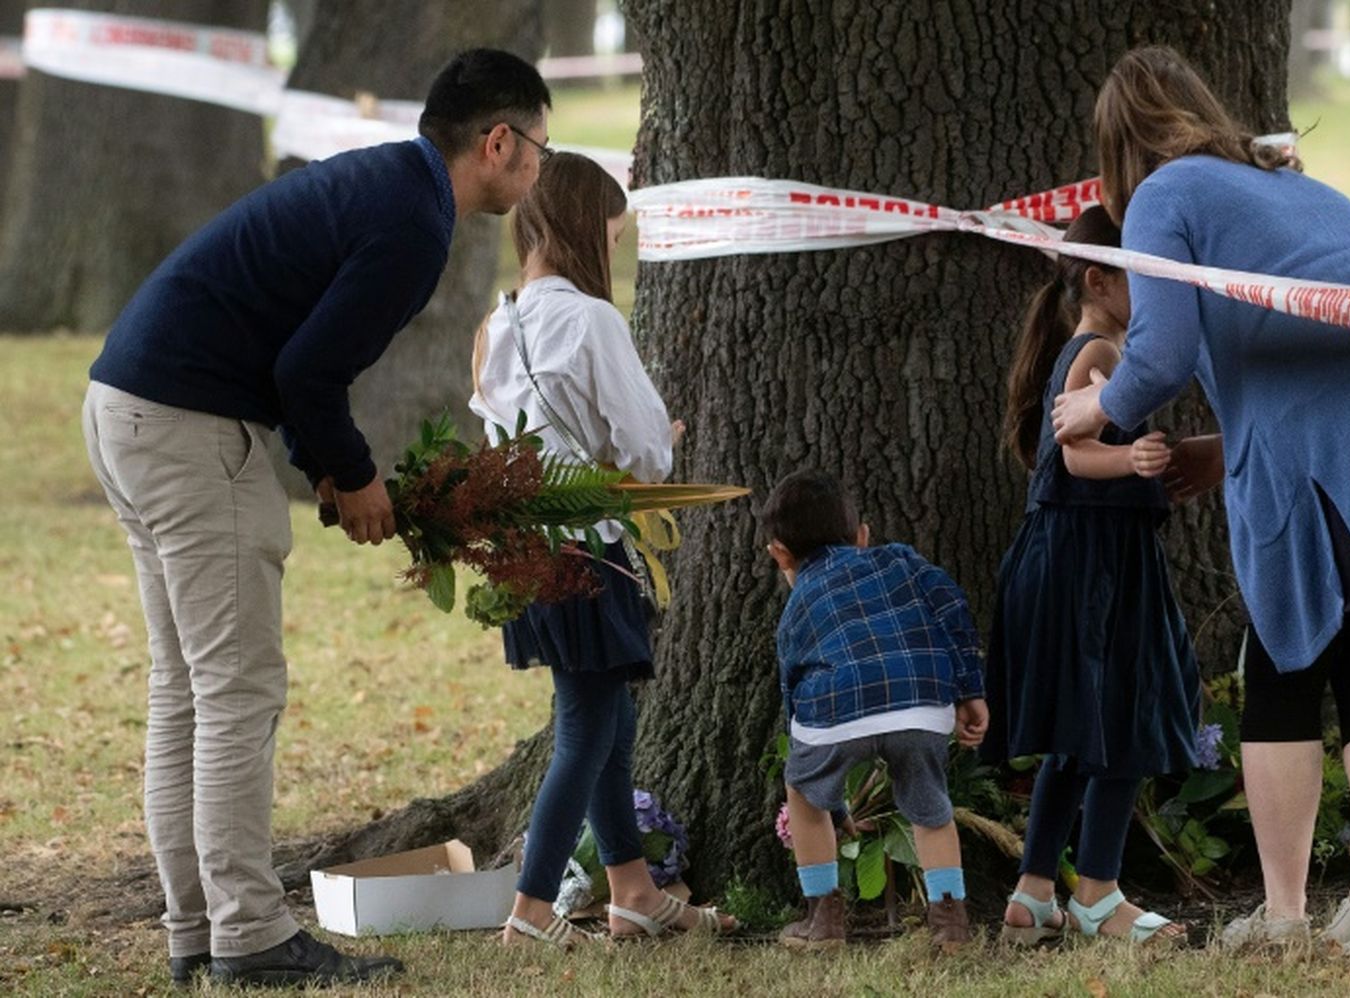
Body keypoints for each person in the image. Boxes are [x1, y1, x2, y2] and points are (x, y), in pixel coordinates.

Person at [80, 48, 552, 988]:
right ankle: (251, 938)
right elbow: (308, 371)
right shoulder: (415, 223)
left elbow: (292, 346)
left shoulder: (384, 183)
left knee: (186, 694)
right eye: (538, 146)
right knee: (236, 693)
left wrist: (322, 469)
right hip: (189, 429)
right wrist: (354, 474)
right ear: (497, 142)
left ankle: (199, 930)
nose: (540, 166)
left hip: (124, 405)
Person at [1052, 46, 1350, 956]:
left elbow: (1165, 352)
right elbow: (1319, 318)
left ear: (1118, 154)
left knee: (1284, 671)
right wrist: (1224, 451)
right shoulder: (1296, 182)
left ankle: (1286, 915)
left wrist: (1095, 404)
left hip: (1349, 441)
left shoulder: (1164, 196)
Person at [470, 151, 734, 947]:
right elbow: (646, 453)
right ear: (586, 227)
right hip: (591, 552)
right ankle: (531, 910)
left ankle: (632, 892)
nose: (612, 252)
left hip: (526, 551)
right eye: (611, 236)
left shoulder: (495, 323)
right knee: (587, 729)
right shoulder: (592, 321)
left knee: (606, 720)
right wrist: (664, 441)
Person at [984, 205, 1197, 947]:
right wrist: (1131, 462)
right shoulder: (1096, 353)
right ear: (1101, 280)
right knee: (1122, 726)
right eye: (1148, 276)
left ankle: (1034, 891)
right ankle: (1099, 896)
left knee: (1083, 734)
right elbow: (1073, 454)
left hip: (1080, 556)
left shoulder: (1092, 345)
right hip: (1095, 565)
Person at [762, 470, 989, 953]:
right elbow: (951, 604)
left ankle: (822, 919)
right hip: (921, 702)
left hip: (835, 708)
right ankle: (951, 925)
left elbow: (795, 692)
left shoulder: (799, 603)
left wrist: (832, 798)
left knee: (801, 791)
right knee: (931, 811)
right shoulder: (900, 560)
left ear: (779, 554)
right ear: (863, 535)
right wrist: (970, 689)